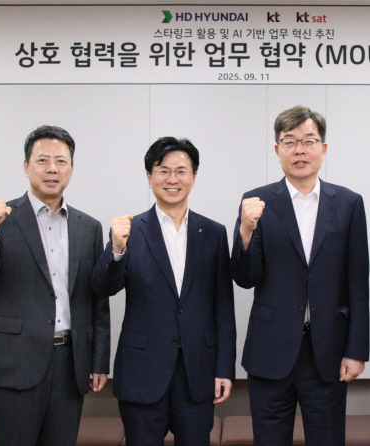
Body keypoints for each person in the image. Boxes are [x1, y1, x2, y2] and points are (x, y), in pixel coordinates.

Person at [231, 106, 370, 446]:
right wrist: (245, 231)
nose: (300, 150)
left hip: (327, 351)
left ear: (323, 148)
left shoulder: (349, 203)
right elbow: (245, 278)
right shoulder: (256, 201)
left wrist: (356, 350)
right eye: (290, 142)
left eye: (309, 141)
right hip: (270, 349)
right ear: (277, 150)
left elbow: (358, 282)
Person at [0, 125, 110, 446]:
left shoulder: (89, 227)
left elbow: (97, 300)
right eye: (42, 160)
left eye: (61, 161)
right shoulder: (1, 217)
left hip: (70, 363)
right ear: (26, 166)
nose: (52, 169)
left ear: (71, 168)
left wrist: (99, 361)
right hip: (14, 361)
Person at [93, 137, 236, 446]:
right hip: (142, 372)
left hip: (197, 373)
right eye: (163, 171)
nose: (173, 179)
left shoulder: (214, 233)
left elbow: (223, 308)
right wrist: (115, 249)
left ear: (194, 177)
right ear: (149, 177)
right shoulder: (129, 230)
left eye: (181, 171)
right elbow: (103, 287)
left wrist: (225, 368)